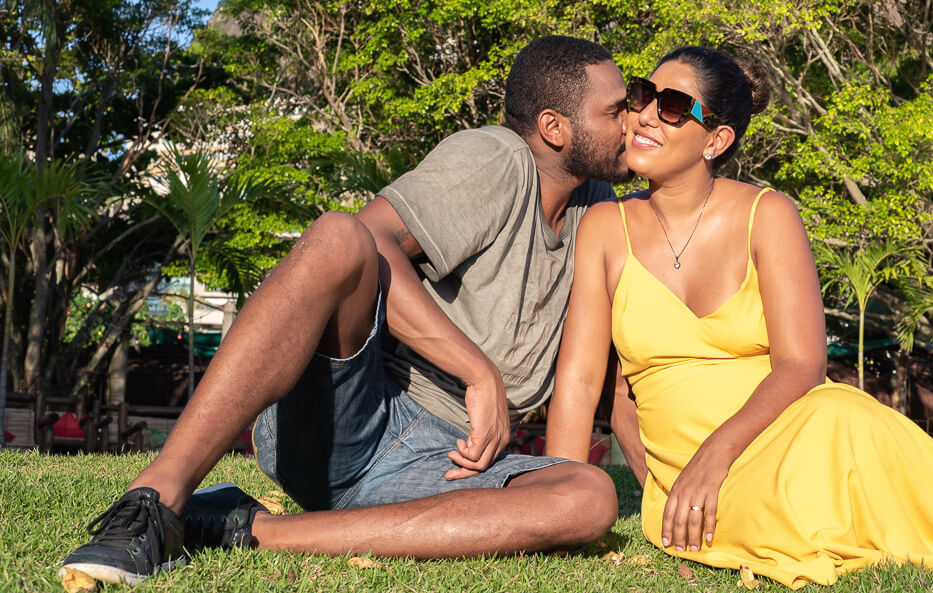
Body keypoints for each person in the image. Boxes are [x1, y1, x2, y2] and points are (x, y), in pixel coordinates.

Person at [544, 46, 933, 587]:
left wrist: (714, 456)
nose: (645, 115)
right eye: (644, 95)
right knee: (825, 506)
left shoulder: (768, 215)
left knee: (841, 408)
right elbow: (581, 380)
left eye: (672, 107)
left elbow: (801, 364)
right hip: (689, 482)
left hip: (776, 441)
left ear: (715, 141)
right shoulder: (604, 228)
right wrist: (562, 501)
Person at [60, 36, 631, 586]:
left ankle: (244, 529)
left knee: (590, 495)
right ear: (554, 128)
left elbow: (607, 373)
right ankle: (153, 502)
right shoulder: (497, 159)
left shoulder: (596, 207)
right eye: (616, 110)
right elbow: (372, 238)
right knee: (338, 236)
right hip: (364, 419)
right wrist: (477, 371)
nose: (632, 121)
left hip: (449, 466)